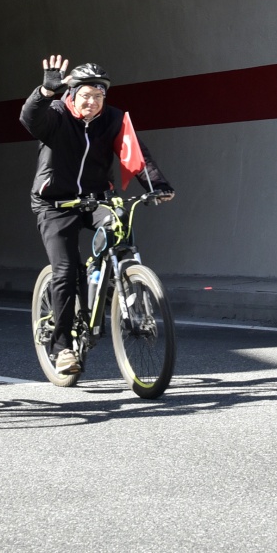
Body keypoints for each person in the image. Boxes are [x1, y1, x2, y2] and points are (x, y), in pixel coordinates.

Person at [21, 54, 174, 375]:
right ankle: (62, 347)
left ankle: (120, 284)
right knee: (65, 271)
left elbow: (136, 155)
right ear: (72, 94)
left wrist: (157, 185)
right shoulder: (56, 114)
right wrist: (45, 93)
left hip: (95, 199)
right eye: (86, 95)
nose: (92, 102)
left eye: (99, 96)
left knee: (120, 224)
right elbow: (30, 119)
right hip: (54, 203)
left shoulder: (114, 119)